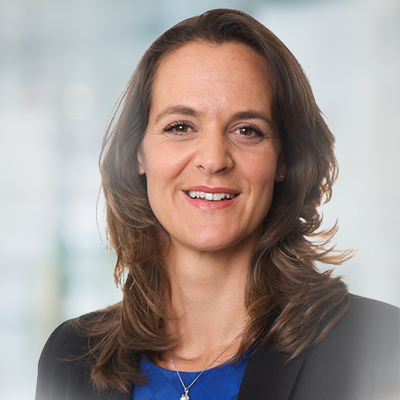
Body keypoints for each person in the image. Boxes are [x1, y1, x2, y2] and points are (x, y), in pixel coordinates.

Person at [36, 8, 399, 400]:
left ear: (284, 159)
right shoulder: (71, 357)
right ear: (138, 153)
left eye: (247, 130)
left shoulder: (377, 347)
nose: (213, 159)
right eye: (180, 126)